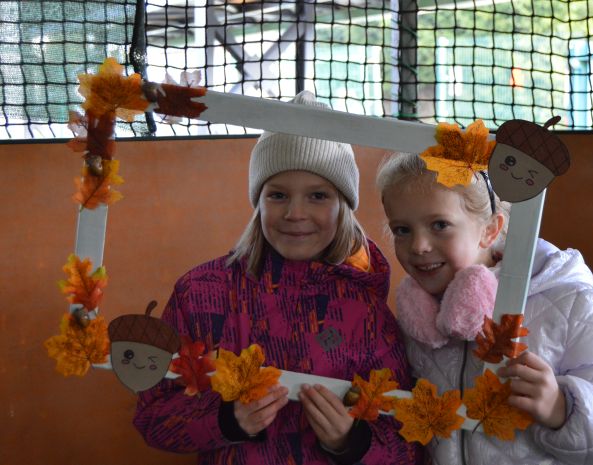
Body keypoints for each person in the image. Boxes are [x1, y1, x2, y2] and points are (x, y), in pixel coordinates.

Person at [133, 91, 421, 465]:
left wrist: (351, 441)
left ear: (343, 206)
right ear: (259, 202)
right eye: (279, 195)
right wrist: (228, 421)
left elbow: (407, 443)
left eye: (318, 196)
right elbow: (153, 416)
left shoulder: (366, 310)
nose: (295, 213)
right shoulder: (199, 293)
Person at [376, 151, 593, 465]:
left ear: (489, 230)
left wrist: (562, 408)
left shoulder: (567, 301)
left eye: (440, 224)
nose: (418, 246)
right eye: (402, 230)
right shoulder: (417, 315)